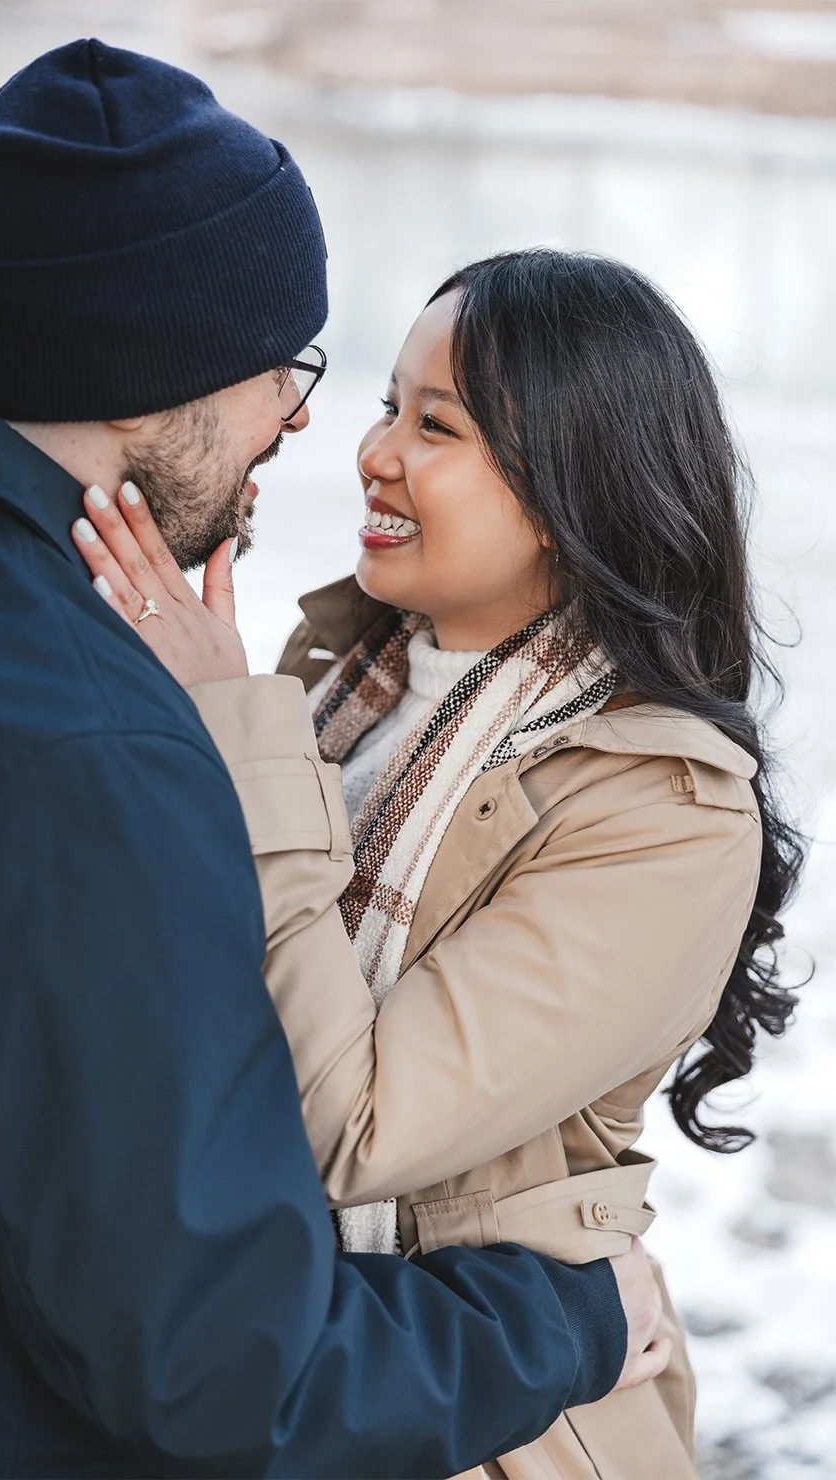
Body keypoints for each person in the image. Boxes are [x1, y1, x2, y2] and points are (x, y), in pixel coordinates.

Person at [0, 40, 672, 1478]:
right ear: (139, 366)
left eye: (437, 422)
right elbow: (225, 1360)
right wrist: (570, 1326)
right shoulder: (101, 737)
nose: (315, 429)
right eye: (296, 374)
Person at [73, 248, 798, 1479]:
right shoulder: (325, 694)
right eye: (385, 407)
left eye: (437, 424)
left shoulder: (661, 811)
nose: (374, 452)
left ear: (574, 479)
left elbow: (351, 1123)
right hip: (255, 1368)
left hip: (493, 1424)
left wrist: (227, 734)